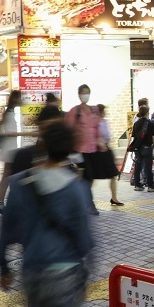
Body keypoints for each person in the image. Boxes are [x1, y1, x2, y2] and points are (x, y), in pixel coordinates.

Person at [0, 120, 93, 307]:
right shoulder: (75, 188)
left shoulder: (21, 182)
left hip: (32, 270)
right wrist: (87, 273)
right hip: (65, 273)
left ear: (43, 146)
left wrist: (3, 267)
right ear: (69, 150)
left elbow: (6, 229)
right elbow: (84, 240)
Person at [64, 84, 103, 215]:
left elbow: (97, 128)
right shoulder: (74, 111)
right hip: (78, 149)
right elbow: (67, 129)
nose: (85, 95)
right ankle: (89, 204)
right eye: (83, 92)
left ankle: (81, 200)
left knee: (89, 178)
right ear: (79, 94)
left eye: (87, 92)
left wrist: (100, 141)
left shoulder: (94, 110)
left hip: (92, 149)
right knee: (87, 176)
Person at [0, 91, 33, 216]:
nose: (21, 100)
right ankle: (0, 204)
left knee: (8, 177)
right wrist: (27, 133)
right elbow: (10, 133)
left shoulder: (9, 112)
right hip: (9, 149)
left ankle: (0, 204)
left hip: (9, 148)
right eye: (20, 98)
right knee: (8, 177)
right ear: (15, 99)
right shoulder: (10, 113)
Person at [96, 104, 124, 204]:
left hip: (106, 149)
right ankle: (87, 199)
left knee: (112, 175)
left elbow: (108, 136)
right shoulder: (94, 123)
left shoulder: (105, 122)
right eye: (102, 111)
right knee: (92, 176)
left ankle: (114, 198)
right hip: (97, 151)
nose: (104, 113)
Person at [131, 105, 154, 192]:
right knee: (148, 167)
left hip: (138, 149)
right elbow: (153, 137)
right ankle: (150, 186)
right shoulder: (150, 123)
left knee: (137, 166)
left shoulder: (136, 123)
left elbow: (134, 137)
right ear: (147, 113)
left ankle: (137, 185)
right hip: (147, 148)